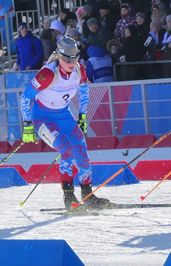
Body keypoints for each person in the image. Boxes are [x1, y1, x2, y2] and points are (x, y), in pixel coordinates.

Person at [20, 37, 111, 210]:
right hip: (42, 118)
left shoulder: (79, 70)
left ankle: (88, 195)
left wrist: (82, 116)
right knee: (66, 149)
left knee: (81, 150)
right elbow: (24, 97)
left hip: (64, 115)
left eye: (75, 57)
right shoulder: (47, 74)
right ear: (59, 56)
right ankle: (69, 197)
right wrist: (27, 125)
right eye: (67, 58)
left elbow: (84, 91)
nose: (71, 62)